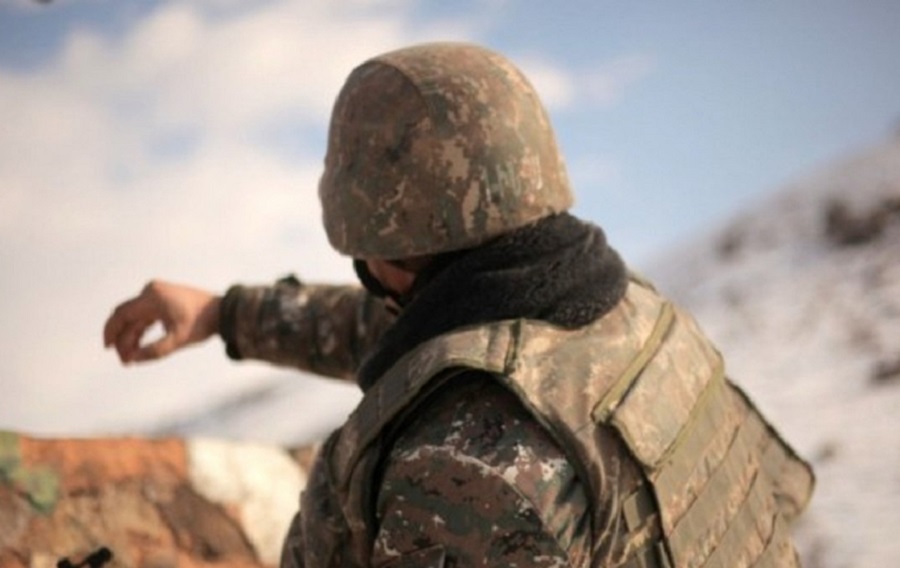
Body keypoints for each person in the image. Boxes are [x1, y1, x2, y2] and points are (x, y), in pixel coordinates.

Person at [104, 42, 814, 568]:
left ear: (382, 243)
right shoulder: (631, 315)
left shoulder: (465, 469)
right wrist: (224, 314)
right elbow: (413, 336)